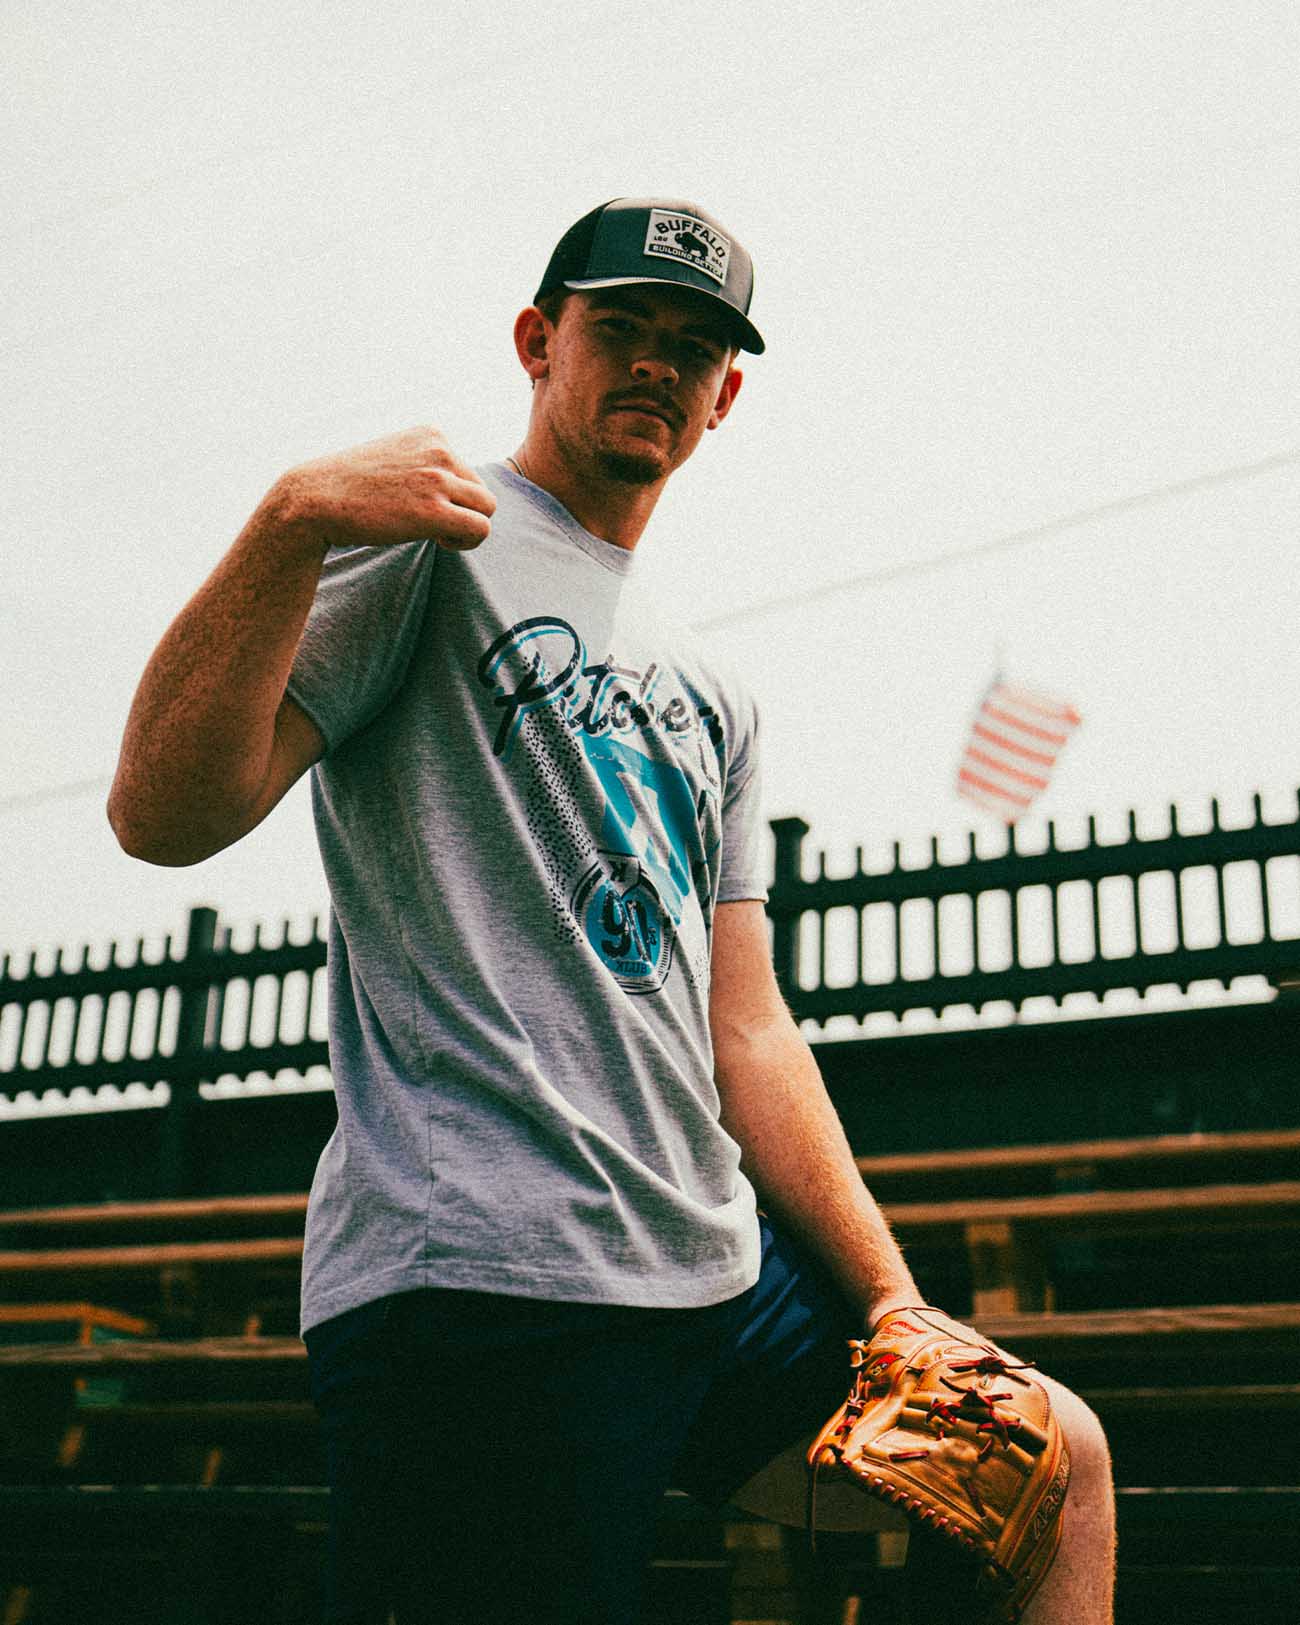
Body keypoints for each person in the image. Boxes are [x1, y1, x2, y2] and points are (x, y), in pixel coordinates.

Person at [108, 196, 1115, 1624]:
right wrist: (288, 521)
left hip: (707, 1281)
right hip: (485, 1281)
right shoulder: (429, 545)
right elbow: (161, 815)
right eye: (622, 327)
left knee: (1053, 1466)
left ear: (725, 397)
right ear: (538, 342)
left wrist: (893, 1299)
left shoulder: (713, 687)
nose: (657, 362)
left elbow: (746, 1025)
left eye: (692, 347)